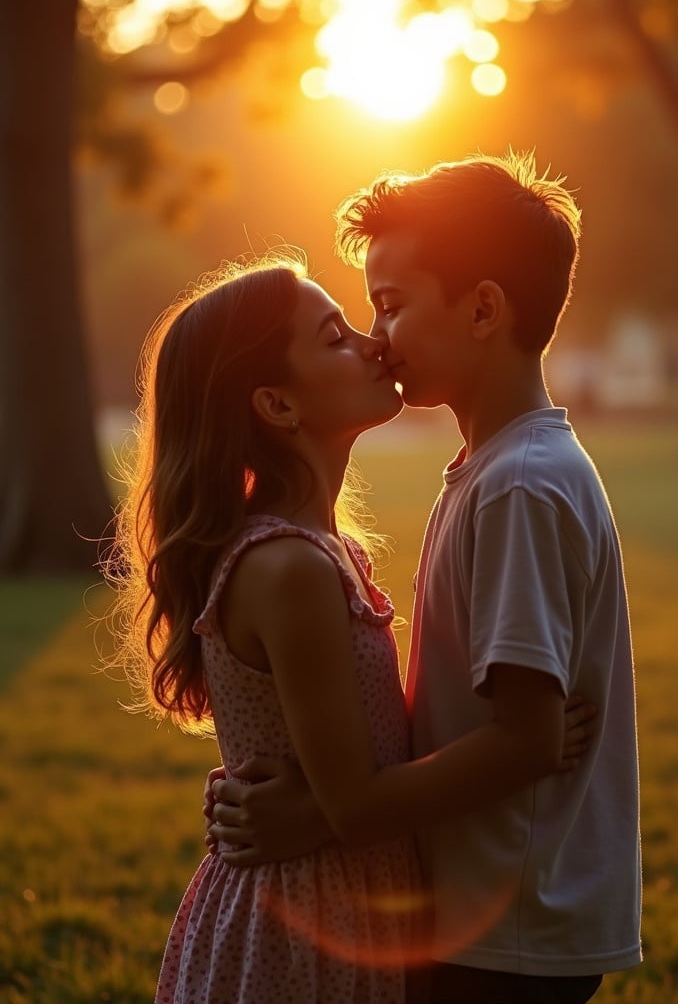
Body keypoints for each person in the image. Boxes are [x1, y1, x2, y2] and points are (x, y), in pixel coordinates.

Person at [205, 151, 642, 1004]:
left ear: (482, 308)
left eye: (391, 306)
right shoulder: (491, 470)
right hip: (485, 911)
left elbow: (526, 737)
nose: (376, 337)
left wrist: (321, 814)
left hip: (509, 925)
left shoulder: (519, 484)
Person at [105, 252, 594, 1004]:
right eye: (335, 337)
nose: (373, 342)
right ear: (277, 406)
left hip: (347, 899)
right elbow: (355, 805)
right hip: (304, 925)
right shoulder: (288, 570)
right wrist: (527, 746)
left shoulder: (328, 555)